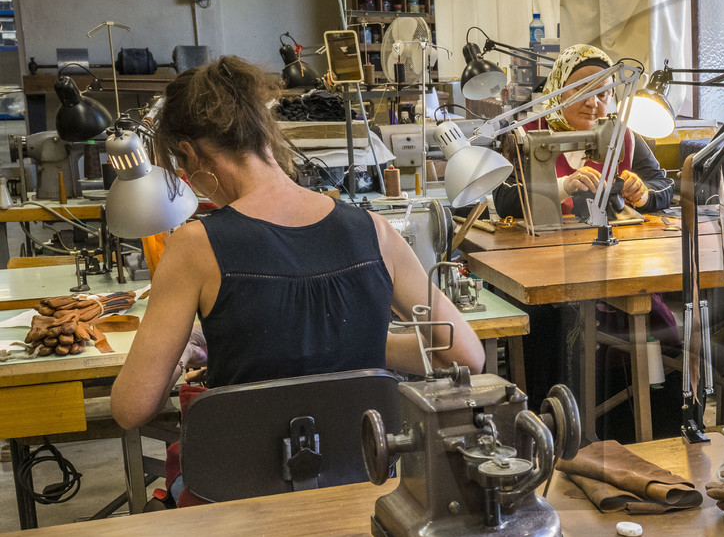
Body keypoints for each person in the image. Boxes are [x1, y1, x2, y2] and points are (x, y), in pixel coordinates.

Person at [110, 56, 483, 431]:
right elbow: (464, 355)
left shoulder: (194, 246)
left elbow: (132, 409)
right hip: (367, 475)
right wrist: (353, 340)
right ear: (265, 133)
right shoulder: (376, 231)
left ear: (189, 153)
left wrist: (182, 354)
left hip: (245, 485)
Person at [492, 43, 672, 221]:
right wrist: (565, 186)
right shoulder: (525, 135)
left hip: (618, 244)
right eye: (582, 90)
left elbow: (664, 186)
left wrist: (641, 194)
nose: (593, 103)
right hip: (544, 244)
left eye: (602, 94)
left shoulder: (622, 135)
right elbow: (505, 201)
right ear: (558, 89)